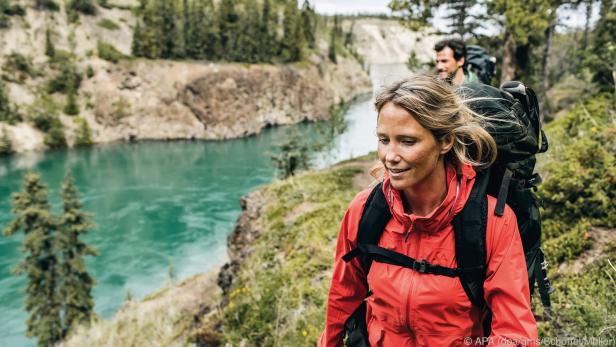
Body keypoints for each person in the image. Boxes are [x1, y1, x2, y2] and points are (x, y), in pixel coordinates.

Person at [318, 74, 538, 346]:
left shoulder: (492, 221)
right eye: (384, 140)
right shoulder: (364, 210)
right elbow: (343, 293)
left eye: (407, 141)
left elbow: (515, 333)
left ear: (445, 141)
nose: (390, 156)